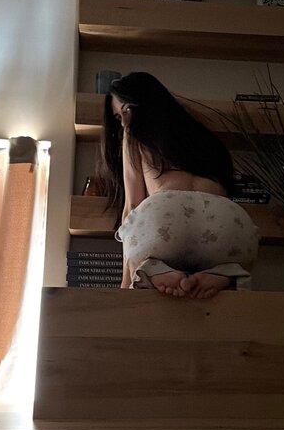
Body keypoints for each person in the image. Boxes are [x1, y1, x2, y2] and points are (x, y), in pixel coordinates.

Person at [98, 72, 258, 298]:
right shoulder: (204, 135)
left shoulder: (135, 134)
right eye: (118, 117)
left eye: (127, 111)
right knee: (230, 256)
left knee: (139, 244)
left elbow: (133, 204)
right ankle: (225, 271)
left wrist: (127, 281)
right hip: (229, 222)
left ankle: (153, 271)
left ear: (145, 102)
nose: (124, 123)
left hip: (167, 216)